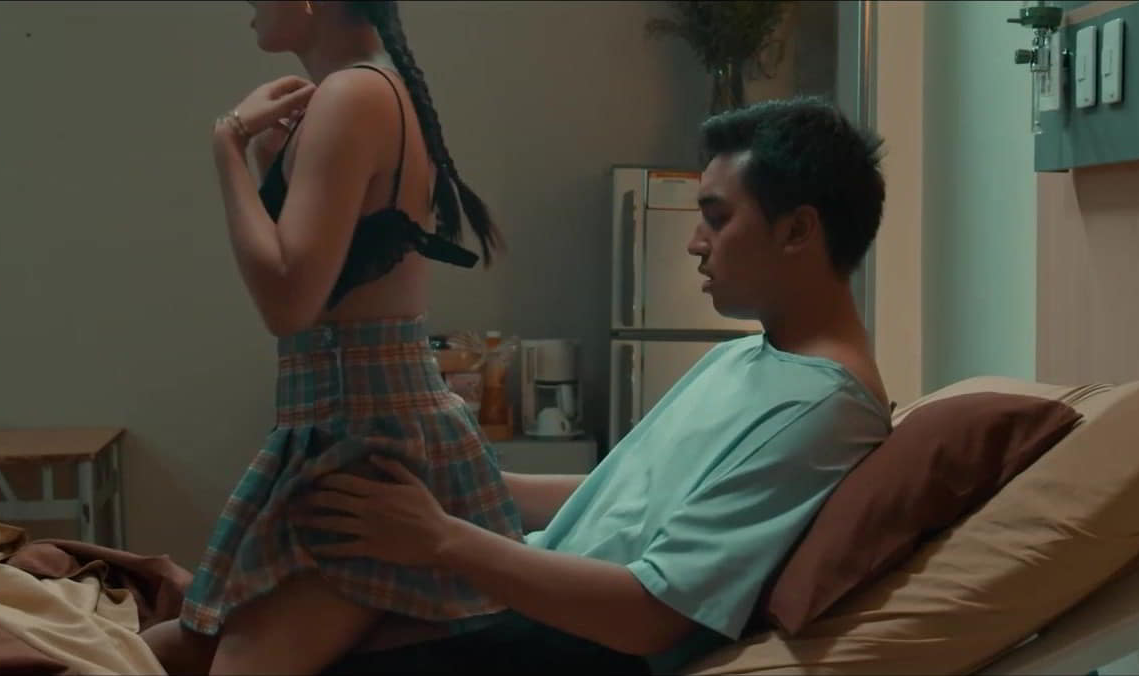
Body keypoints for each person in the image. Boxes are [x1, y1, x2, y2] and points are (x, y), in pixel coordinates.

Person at [296, 96, 894, 675]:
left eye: (717, 218)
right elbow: (630, 497)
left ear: (798, 230)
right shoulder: (746, 357)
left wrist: (441, 539)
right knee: (292, 582)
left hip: (575, 647)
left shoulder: (824, 409)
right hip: (530, 605)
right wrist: (464, 482)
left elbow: (651, 617)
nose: (695, 242)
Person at [139, 1, 523, 673]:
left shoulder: (353, 93)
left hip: (361, 440)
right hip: (360, 422)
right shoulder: (369, 89)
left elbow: (288, 302)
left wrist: (228, 145)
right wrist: (268, 159)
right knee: (145, 655)